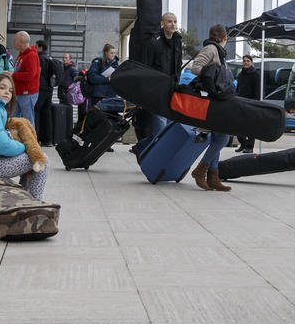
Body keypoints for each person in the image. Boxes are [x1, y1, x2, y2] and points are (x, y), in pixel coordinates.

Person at [188, 24, 233, 191]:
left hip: (216, 100)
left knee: (217, 139)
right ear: (225, 38)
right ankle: (201, 170)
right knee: (223, 138)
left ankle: (213, 177)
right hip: (210, 101)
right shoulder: (211, 49)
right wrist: (212, 77)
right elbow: (195, 68)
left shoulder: (219, 53)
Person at [133, 12, 184, 153]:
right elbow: (147, 67)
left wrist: (176, 81)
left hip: (172, 89)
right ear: (162, 23)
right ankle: (157, 157)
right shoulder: (154, 42)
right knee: (161, 126)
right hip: (157, 90)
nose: (173, 24)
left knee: (168, 127)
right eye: (169, 21)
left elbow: (178, 64)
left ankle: (141, 149)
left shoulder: (178, 41)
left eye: (175, 21)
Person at [34, 40, 62, 146]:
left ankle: (36, 137)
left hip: (40, 88)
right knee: (47, 114)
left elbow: (38, 73)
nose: (35, 49)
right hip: (49, 88)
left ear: (41, 48)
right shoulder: (50, 58)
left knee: (36, 112)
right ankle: (48, 140)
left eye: (36, 47)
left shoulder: (39, 58)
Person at [10, 31, 40, 126]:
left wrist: (12, 75)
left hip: (27, 93)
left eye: (15, 40)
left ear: (21, 42)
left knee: (28, 120)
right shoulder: (22, 54)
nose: (13, 42)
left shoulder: (31, 55)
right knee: (15, 119)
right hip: (19, 92)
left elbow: (30, 75)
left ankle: (30, 140)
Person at [234, 55, 260, 152]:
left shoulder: (256, 75)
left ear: (251, 62)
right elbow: (238, 89)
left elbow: (257, 92)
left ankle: (250, 147)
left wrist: (255, 104)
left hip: (251, 104)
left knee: (250, 126)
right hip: (240, 103)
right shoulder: (241, 74)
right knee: (238, 126)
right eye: (244, 61)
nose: (245, 62)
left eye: (248, 61)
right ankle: (243, 144)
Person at [87, 43, 123, 113]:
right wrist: (107, 79)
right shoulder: (97, 63)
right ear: (106, 53)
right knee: (97, 118)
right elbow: (92, 77)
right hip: (98, 96)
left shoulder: (116, 65)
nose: (113, 55)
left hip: (111, 97)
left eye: (114, 53)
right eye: (111, 53)